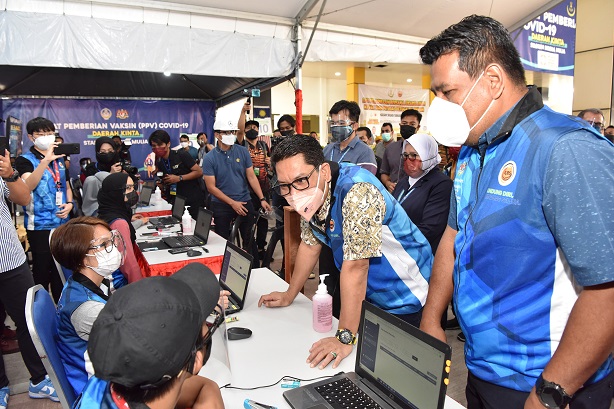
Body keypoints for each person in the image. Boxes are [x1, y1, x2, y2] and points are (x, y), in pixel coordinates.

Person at [419, 15, 614, 409]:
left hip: (548, 382)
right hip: (482, 369)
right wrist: (431, 317)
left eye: (448, 92)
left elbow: (607, 289)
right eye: (435, 94)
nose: (439, 107)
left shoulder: (565, 148)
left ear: (492, 80)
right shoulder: (473, 150)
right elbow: (455, 236)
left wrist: (550, 392)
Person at [258, 136, 433, 369]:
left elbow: (357, 267)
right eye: (284, 186)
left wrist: (344, 337)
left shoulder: (357, 191)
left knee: (398, 370)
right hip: (371, 294)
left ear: (324, 172)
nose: (293, 193)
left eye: (300, 180)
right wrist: (290, 294)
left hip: (406, 291)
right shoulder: (314, 193)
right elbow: (310, 245)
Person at [74, 264, 225, 409]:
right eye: (203, 323)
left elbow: (203, 387)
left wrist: (210, 388)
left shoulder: (110, 377)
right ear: (196, 359)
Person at [0, 149, 59, 408]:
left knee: (28, 319)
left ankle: (39, 379)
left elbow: (23, 197)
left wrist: (9, 174)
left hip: (9, 258)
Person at [51, 216, 124, 396]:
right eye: (104, 244)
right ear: (83, 258)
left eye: (112, 240)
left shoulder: (85, 284)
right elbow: (135, 340)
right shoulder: (86, 309)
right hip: (100, 391)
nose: (113, 248)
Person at [15, 117, 74, 303]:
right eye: (41, 134)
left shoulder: (60, 157)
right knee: (41, 270)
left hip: (62, 223)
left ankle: (61, 308)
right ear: (31, 137)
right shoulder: (24, 160)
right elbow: (28, 186)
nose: (46, 136)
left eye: (49, 133)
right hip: (39, 225)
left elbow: (66, 185)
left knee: (61, 270)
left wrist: (70, 203)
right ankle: (39, 309)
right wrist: (44, 161)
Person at [202, 115, 271, 262]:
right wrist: (232, 203)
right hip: (222, 204)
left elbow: (251, 176)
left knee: (249, 240)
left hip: (244, 201)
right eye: (226, 132)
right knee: (222, 241)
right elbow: (211, 187)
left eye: (232, 132)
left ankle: (254, 269)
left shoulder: (242, 151)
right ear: (217, 134)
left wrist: (262, 198)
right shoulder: (210, 158)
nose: (230, 135)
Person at [391, 133, 452, 254]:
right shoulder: (404, 181)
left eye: (414, 155)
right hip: (396, 250)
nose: (409, 160)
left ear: (427, 155)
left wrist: (394, 240)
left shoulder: (442, 184)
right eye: (406, 155)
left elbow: (430, 228)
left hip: (420, 253)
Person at [97, 173, 144, 284]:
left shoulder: (107, 211)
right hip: (120, 283)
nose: (133, 192)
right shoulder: (119, 223)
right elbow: (129, 265)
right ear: (115, 193)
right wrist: (140, 288)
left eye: (133, 187)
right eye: (128, 188)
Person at [237, 117, 272, 260]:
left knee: (263, 220)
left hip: (264, 188)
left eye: (255, 127)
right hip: (248, 190)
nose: (252, 129)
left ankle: (261, 247)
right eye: (248, 127)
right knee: (249, 222)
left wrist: (270, 162)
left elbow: (270, 164)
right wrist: (243, 112)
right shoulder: (242, 145)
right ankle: (249, 249)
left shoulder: (264, 145)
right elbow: (239, 131)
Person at [149, 130, 204, 220]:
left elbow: (199, 172)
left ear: (168, 144)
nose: (157, 148)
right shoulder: (159, 161)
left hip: (192, 199)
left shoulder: (181, 155)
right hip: (176, 200)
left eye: (160, 144)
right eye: (154, 146)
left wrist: (179, 178)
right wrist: (161, 184)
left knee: (193, 225)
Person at [323, 100, 377, 175]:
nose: (336, 126)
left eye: (341, 123)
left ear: (354, 126)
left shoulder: (365, 152)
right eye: (333, 123)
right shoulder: (327, 150)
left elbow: (365, 181)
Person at [380, 109, 422, 192]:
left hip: (416, 193)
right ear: (400, 125)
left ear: (418, 127)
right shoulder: (390, 148)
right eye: (404, 123)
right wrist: (388, 183)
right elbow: (384, 173)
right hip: (394, 194)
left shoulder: (423, 150)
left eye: (412, 124)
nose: (407, 126)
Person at [82, 137, 122, 216]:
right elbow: (94, 194)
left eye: (110, 151)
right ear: (97, 152)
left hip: (118, 209)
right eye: (103, 152)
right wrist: (110, 174)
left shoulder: (119, 166)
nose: (107, 154)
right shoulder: (91, 169)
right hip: (98, 212)